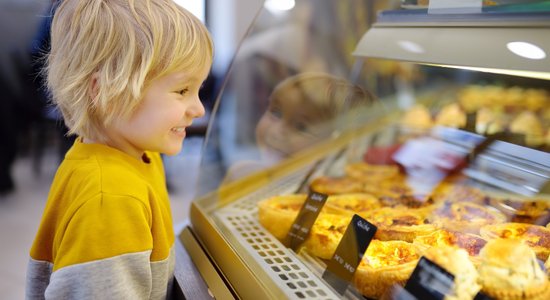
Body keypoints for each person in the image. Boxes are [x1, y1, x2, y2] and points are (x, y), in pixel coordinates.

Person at [25, 0, 213, 299]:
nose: (199, 109)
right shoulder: (110, 200)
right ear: (107, 93)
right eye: (182, 91)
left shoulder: (140, 155)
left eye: (198, 90)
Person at [224, 72, 374, 183]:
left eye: (301, 127)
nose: (276, 131)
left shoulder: (328, 203)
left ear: (340, 150)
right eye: (276, 112)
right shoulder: (242, 176)